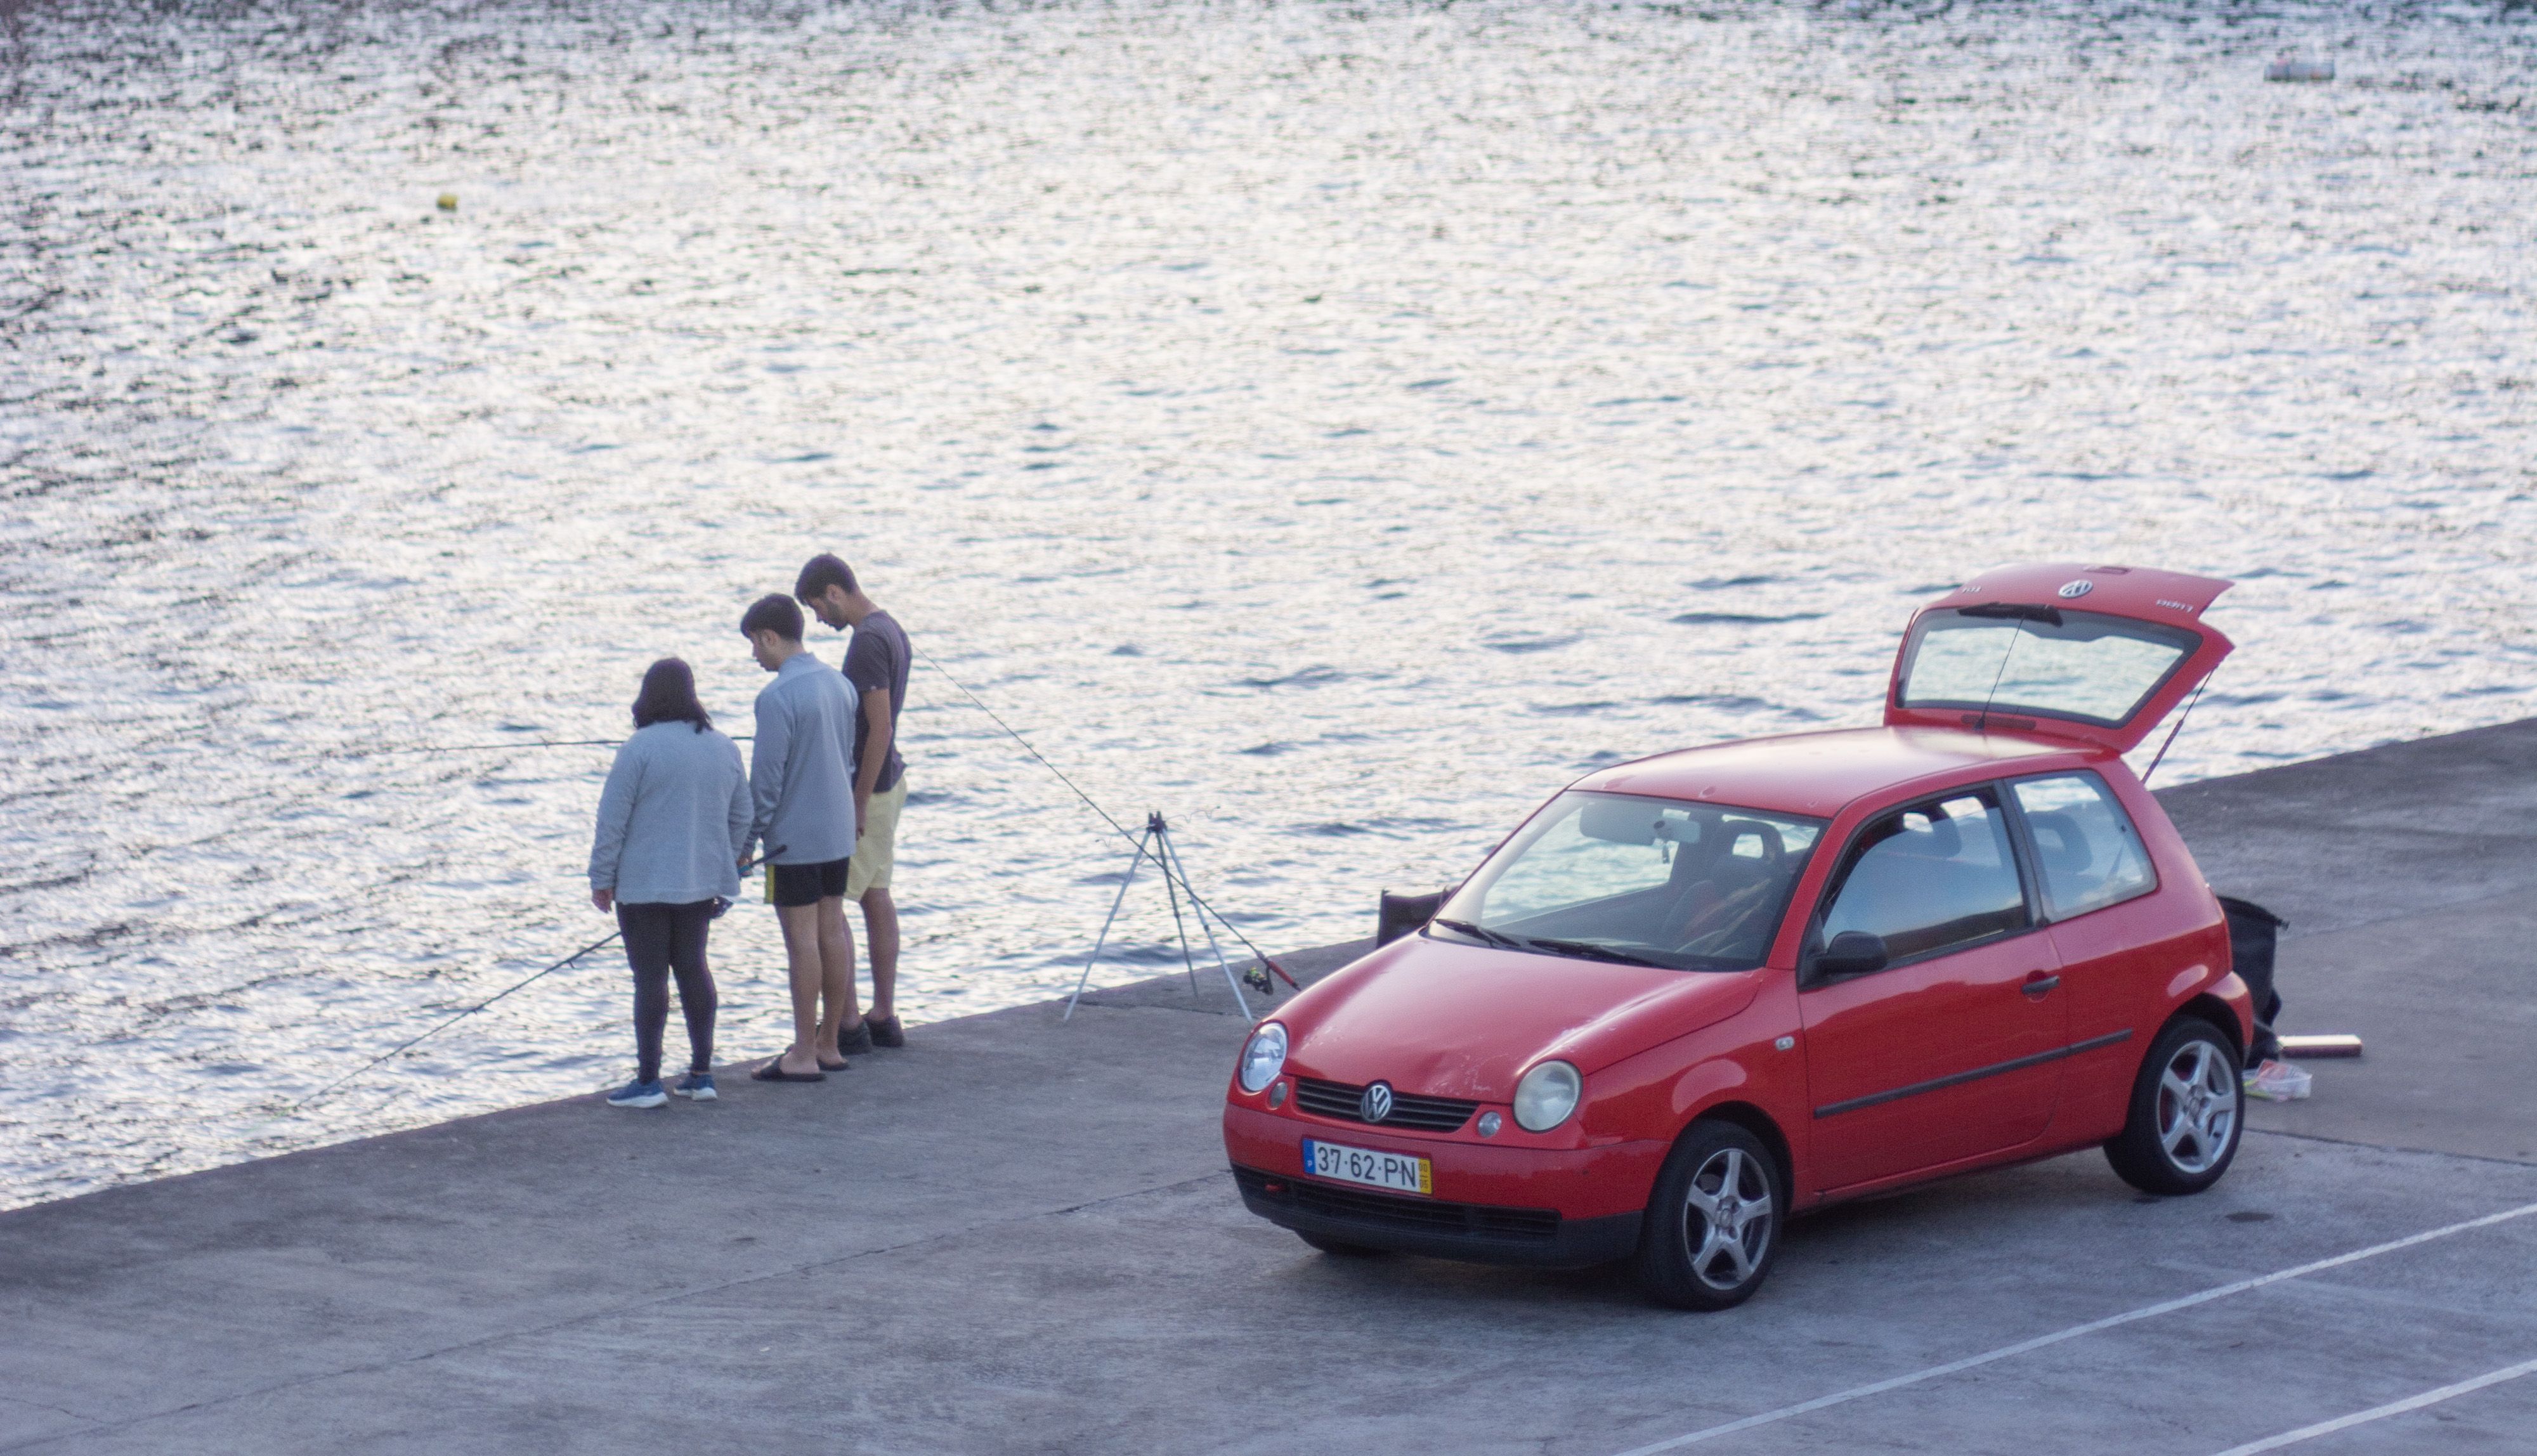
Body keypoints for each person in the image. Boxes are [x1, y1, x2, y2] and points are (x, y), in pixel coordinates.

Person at [587, 658, 750, 1109]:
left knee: (650, 978)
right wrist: (730, 864)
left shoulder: (638, 749)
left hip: (642, 887)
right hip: (700, 883)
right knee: (694, 968)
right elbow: (743, 816)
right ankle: (701, 1074)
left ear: (648, 696)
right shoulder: (724, 747)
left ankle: (647, 1081)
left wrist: (602, 878)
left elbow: (612, 821)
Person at [739, 593, 862, 1081]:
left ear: (770, 636)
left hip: (793, 841)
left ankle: (803, 1053)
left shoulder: (775, 699)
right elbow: (848, 757)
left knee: (802, 943)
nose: (754, 656)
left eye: (754, 644)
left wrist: (746, 842)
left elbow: (766, 782)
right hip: (837, 833)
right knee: (833, 931)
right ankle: (830, 1043)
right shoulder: (840, 685)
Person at [796, 552, 911, 1050]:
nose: (820, 619)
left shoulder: (865, 643)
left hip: (874, 787)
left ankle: (845, 1024)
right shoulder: (891, 628)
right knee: (875, 895)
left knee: (832, 904)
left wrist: (858, 801)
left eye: (818, 607)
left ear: (835, 592)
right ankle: (883, 1013)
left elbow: (879, 727)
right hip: (892, 781)